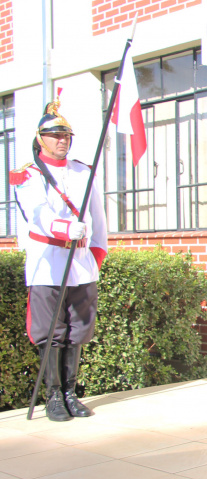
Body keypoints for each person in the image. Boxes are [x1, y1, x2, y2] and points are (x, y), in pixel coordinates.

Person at [11, 96, 108, 422]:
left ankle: (70, 393)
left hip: (80, 265)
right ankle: (53, 397)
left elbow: (99, 219)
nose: (62, 140)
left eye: (66, 135)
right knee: (50, 331)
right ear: (41, 139)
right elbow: (36, 215)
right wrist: (68, 228)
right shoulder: (27, 175)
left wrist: (95, 253)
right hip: (47, 263)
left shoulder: (83, 172)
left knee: (79, 330)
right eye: (55, 135)